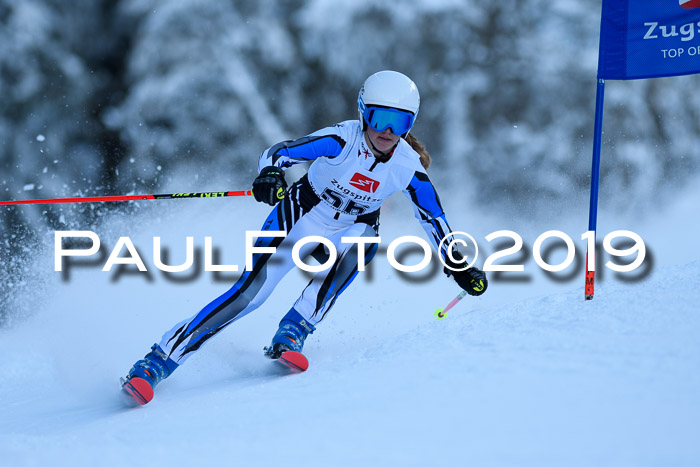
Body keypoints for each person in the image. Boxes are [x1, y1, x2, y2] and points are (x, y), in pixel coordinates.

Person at [120, 70, 488, 405]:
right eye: (379, 118)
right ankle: (158, 361)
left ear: (410, 124)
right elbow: (280, 153)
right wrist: (269, 175)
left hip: (352, 226)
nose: (387, 131)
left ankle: (294, 330)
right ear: (363, 112)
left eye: (399, 122)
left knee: (363, 244)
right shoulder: (342, 138)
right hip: (303, 215)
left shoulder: (407, 165)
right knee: (251, 296)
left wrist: (458, 264)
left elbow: (433, 218)